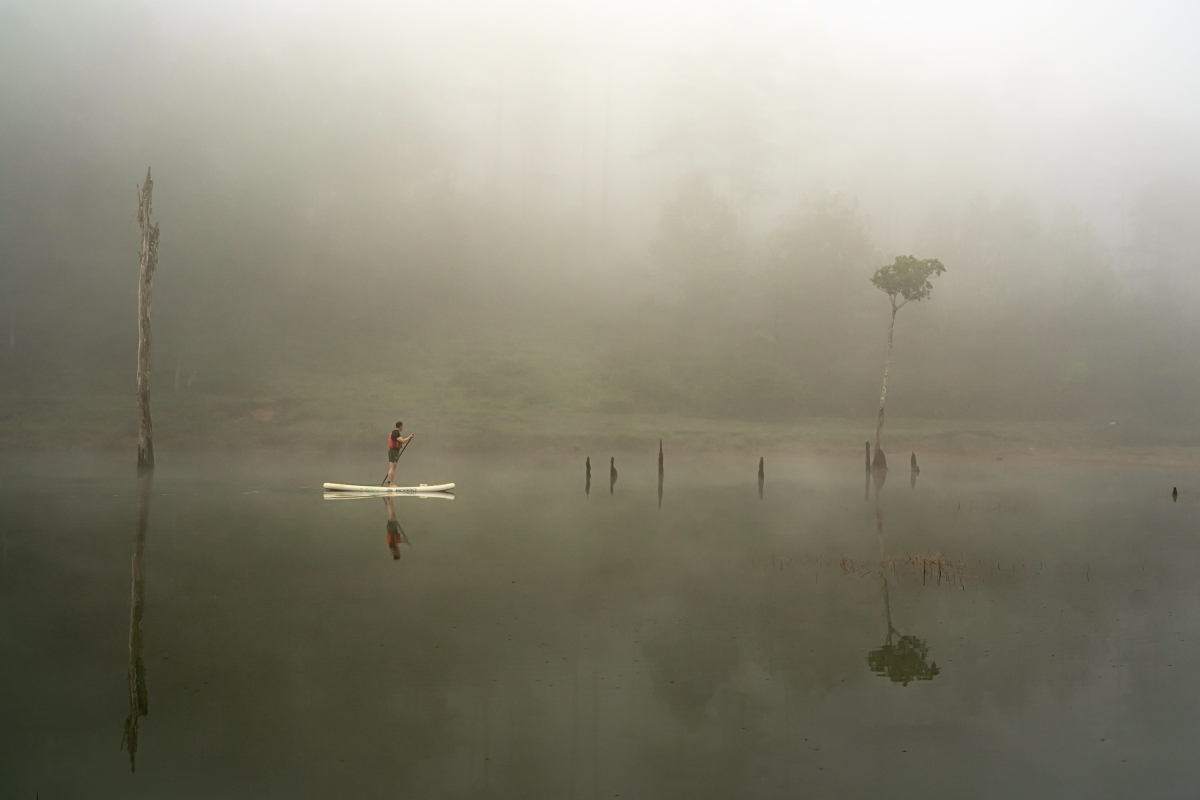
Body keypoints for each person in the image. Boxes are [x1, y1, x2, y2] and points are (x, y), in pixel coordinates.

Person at [386, 421, 414, 487]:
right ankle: (391, 484)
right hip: (393, 452)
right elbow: (403, 441)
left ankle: (389, 483)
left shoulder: (394, 432)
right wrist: (410, 437)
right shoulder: (396, 433)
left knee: (391, 468)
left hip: (392, 451)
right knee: (392, 468)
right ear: (400, 426)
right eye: (402, 426)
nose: (402, 428)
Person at [384, 496, 409, 560]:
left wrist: (404, 541)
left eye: (398, 553)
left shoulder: (393, 547)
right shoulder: (394, 548)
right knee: (392, 512)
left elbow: (397, 541)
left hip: (391, 529)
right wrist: (405, 542)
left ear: (396, 554)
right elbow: (398, 541)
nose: (399, 552)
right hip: (393, 529)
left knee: (391, 512)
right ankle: (390, 499)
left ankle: (390, 498)